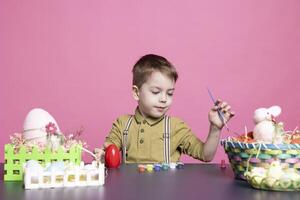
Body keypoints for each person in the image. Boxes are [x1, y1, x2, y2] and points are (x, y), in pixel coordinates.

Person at [95, 54, 234, 164]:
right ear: (136, 93)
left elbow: (206, 155)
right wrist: (102, 156)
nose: (164, 99)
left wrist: (215, 128)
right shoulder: (122, 124)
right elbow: (108, 151)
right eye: (156, 92)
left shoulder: (176, 127)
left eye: (170, 93)